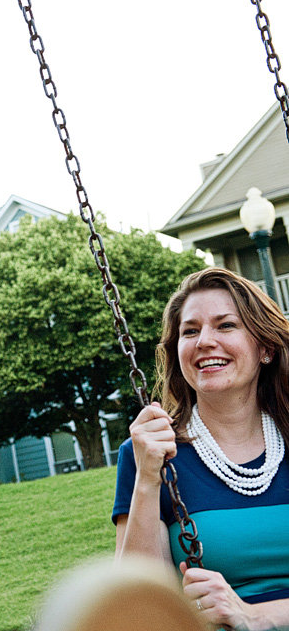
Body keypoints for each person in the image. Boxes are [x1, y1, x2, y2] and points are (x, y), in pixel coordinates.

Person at [113, 267, 289, 630]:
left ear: (266, 348)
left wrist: (255, 616)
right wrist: (147, 478)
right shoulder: (148, 453)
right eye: (190, 331)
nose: (204, 341)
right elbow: (138, 608)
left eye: (225, 326)